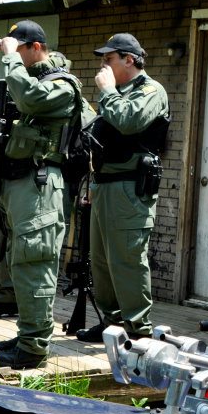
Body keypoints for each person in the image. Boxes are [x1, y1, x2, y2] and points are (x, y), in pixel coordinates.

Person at [0, 20, 78, 369]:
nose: (13, 54)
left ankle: (34, 346)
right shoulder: (21, 78)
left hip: (39, 184)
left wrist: (9, 58)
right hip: (16, 186)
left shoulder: (62, 85)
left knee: (34, 263)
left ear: (36, 47)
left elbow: (29, 100)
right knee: (19, 262)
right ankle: (28, 333)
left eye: (19, 47)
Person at [74, 33, 169, 343]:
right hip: (104, 186)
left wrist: (108, 92)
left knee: (127, 260)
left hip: (130, 189)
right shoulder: (117, 92)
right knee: (101, 262)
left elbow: (130, 121)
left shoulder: (150, 91)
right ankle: (113, 323)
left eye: (109, 58)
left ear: (129, 60)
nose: (103, 65)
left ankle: (138, 330)